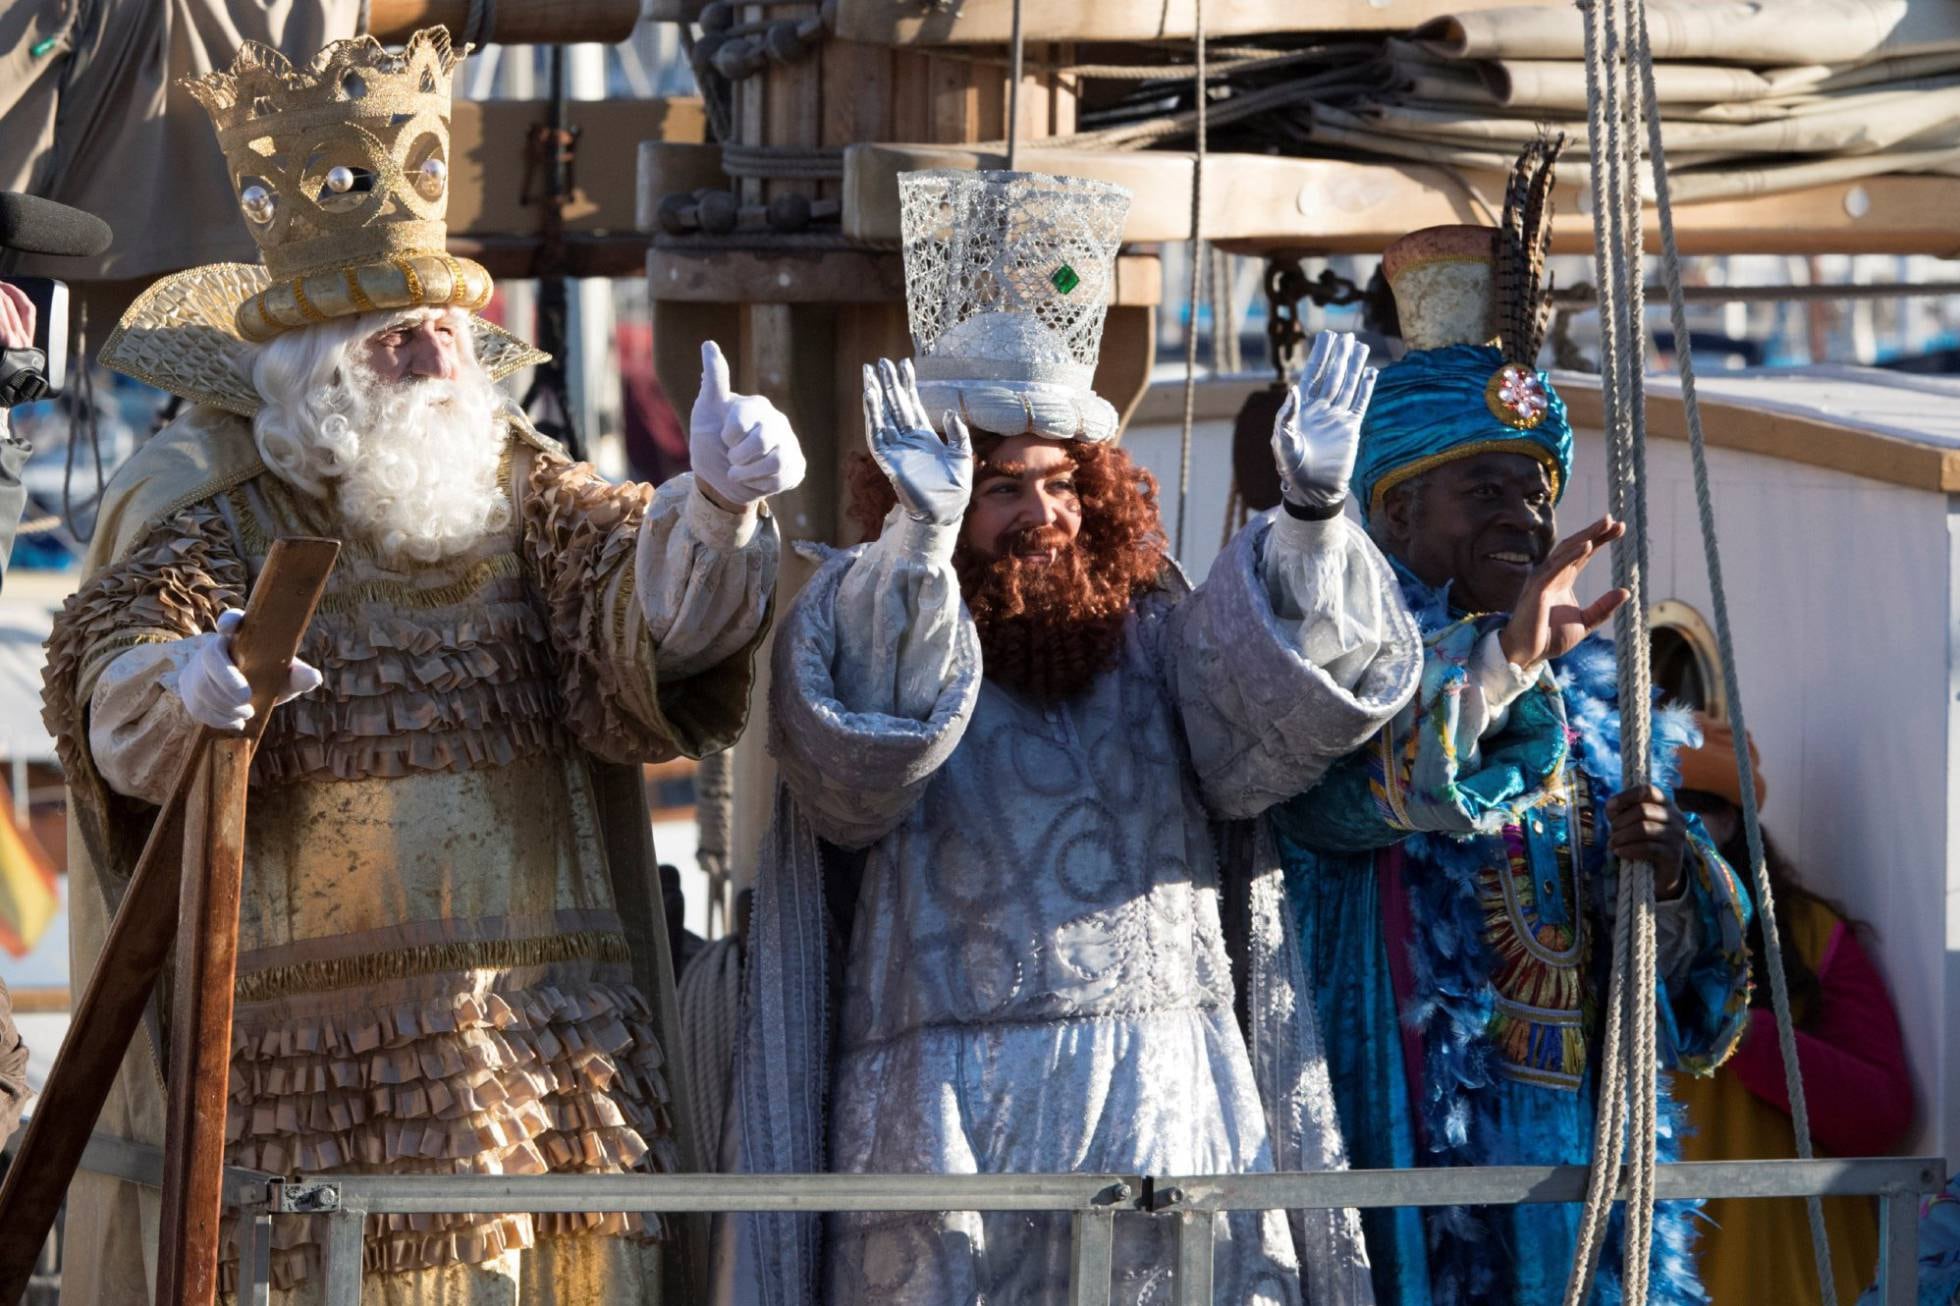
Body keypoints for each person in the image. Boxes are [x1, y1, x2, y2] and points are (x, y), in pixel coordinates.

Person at [41, 29, 802, 1302]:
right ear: (315, 369)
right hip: (314, 1095)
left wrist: (717, 508)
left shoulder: (524, 492)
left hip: (547, 1083)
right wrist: (180, 689)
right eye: (401, 337)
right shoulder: (213, 511)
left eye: (448, 328)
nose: (443, 359)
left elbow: (648, 614)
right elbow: (111, 677)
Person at [732, 168, 1423, 1304]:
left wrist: (1309, 518)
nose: (1042, 516)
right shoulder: (875, 612)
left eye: (1060, 485)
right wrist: (921, 544)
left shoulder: (1152, 633)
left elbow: (1270, 741)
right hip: (950, 1129)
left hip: (1164, 1103)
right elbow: (857, 771)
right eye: (1000, 488)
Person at [1266, 154, 1753, 1306]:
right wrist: (1496, 671)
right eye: (1484, 489)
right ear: (1395, 512)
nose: (1524, 515)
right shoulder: (1336, 667)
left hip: (1578, 1184)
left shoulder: (1595, 705)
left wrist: (1671, 873)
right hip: (1407, 1164)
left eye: (1535, 490)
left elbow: (1691, 1015)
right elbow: (1344, 800)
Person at [1672, 717, 1913, 1305]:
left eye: (1691, 806)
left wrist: (1742, 1032)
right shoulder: (1582, 939)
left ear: (1733, 823)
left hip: (1796, 1276)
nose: (1668, 825)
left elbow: (1882, 1115)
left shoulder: (1807, 934)